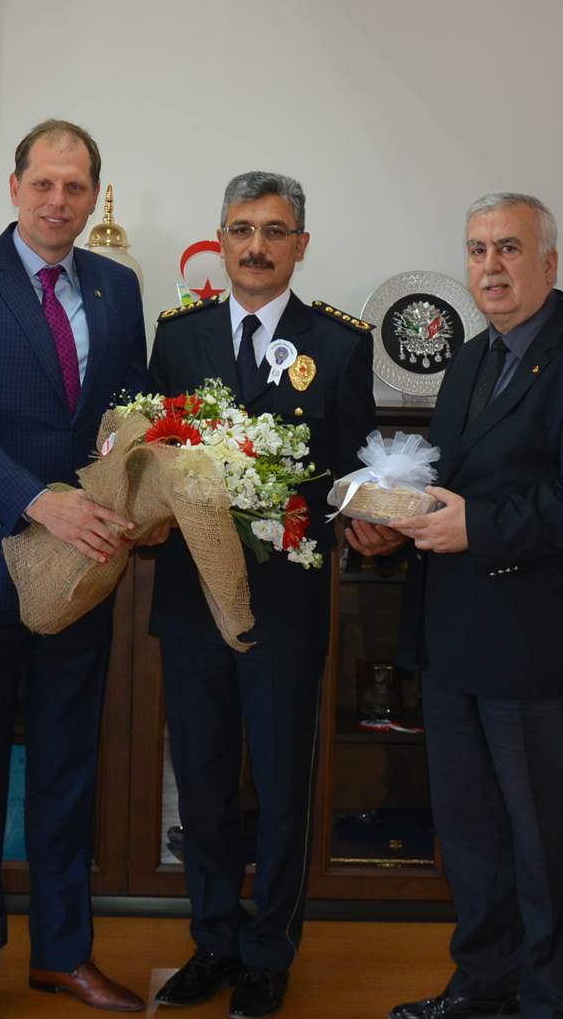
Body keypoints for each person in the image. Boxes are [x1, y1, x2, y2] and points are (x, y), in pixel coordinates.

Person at [350, 194, 563, 1019]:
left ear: (548, 262)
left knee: (548, 846)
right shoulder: (472, 358)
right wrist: (392, 525)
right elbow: (452, 485)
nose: (490, 265)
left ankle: (550, 1002)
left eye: (508, 248)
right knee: (473, 839)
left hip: (541, 648)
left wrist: (475, 527)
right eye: (477, 249)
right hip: (454, 641)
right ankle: (482, 987)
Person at [0, 119, 151, 1019]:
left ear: (92, 198)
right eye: (43, 183)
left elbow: (129, 417)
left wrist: (138, 496)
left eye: (74, 186)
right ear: (14, 187)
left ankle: (62, 953)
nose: (57, 200)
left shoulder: (119, 288)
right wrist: (38, 501)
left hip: (83, 568)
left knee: (67, 766)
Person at [144, 171, 373, 1019]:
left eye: (274, 231)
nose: (255, 246)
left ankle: (270, 950)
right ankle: (213, 939)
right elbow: (149, 450)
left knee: (279, 783)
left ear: (299, 245)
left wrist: (370, 513)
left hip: (284, 606)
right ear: (220, 239)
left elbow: (353, 470)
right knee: (202, 781)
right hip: (190, 598)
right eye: (241, 229)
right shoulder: (178, 335)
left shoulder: (339, 344)